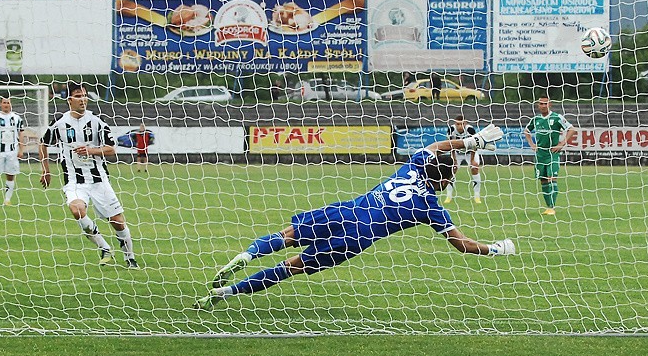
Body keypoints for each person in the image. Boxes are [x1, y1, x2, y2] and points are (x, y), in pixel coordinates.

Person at [194, 124, 515, 310]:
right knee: (290, 267)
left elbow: (438, 145)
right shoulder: (430, 206)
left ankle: (245, 254)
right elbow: (462, 245)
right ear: (446, 179)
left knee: (287, 235)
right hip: (357, 237)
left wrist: (474, 141)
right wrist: (497, 248)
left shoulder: (413, 165)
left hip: (346, 209)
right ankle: (224, 293)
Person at [39, 82, 138, 268]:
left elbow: (111, 149)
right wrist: (46, 170)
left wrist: (91, 151)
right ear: (69, 100)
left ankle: (130, 258)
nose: (83, 99)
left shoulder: (97, 122)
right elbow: (43, 143)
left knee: (117, 222)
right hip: (74, 181)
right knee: (77, 210)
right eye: (78, 96)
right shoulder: (60, 123)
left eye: (84, 95)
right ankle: (104, 247)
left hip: (99, 180)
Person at [524, 96, 577, 216]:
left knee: (552, 178)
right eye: (541, 104)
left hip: (552, 154)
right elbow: (526, 131)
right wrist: (532, 144)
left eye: (545, 103)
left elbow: (572, 129)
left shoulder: (557, 117)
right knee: (543, 181)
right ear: (538, 105)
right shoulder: (535, 119)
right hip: (540, 154)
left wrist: (562, 143)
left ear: (550, 104)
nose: (543, 106)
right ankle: (548, 207)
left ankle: (552, 207)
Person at [0, 97, 24, 206]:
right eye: (4, 103)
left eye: (8, 103)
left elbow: (21, 134)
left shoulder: (17, 118)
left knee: (11, 175)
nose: (6, 104)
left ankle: (7, 200)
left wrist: (21, 149)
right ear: (0, 104)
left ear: (11, 104)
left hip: (12, 152)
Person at [443, 114, 482, 204]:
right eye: (458, 124)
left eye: (462, 124)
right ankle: (449, 196)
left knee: (475, 167)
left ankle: (477, 196)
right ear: (455, 124)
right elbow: (450, 145)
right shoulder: (451, 130)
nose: (460, 126)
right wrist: (454, 159)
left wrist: (472, 160)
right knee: (451, 170)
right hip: (457, 153)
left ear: (465, 123)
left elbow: (474, 145)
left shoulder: (470, 130)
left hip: (470, 152)